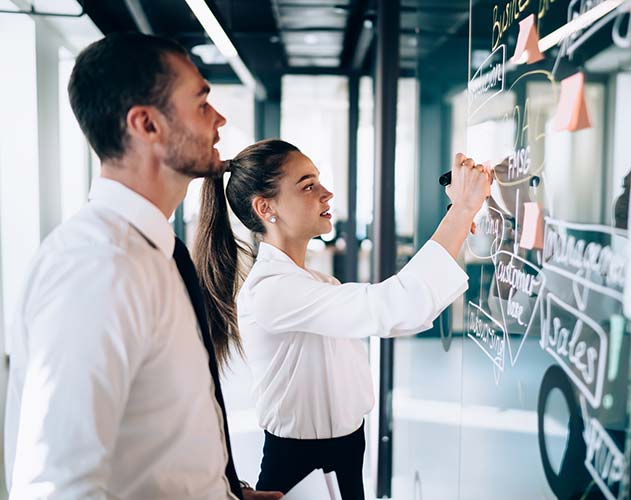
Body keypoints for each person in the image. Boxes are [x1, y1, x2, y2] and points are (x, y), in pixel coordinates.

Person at [4, 33, 281, 500]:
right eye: (201, 104)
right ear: (147, 125)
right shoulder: (99, 267)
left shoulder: (153, 252)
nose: (219, 119)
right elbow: (57, 487)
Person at [193, 139, 491, 499]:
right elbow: (395, 305)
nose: (327, 193)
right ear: (264, 207)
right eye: (308, 185)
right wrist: (460, 211)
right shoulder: (271, 291)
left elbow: (401, 317)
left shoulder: (316, 281)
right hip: (302, 467)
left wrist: (458, 224)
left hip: (345, 454)